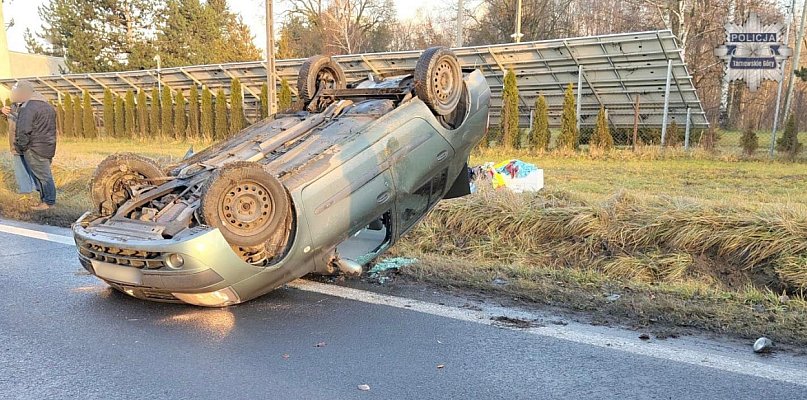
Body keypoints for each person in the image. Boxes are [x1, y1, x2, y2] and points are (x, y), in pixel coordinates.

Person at [4, 81, 57, 210]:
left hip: (34, 148)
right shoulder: (47, 106)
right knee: (43, 175)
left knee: (43, 177)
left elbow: (23, 130)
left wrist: (21, 146)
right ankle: (45, 200)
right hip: (47, 146)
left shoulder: (27, 107)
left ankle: (48, 202)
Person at [2, 100, 37, 195]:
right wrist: (2, 111)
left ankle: (37, 189)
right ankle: (25, 191)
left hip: (30, 144)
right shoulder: (12, 106)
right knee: (20, 169)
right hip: (15, 144)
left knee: (33, 167)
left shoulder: (33, 105)